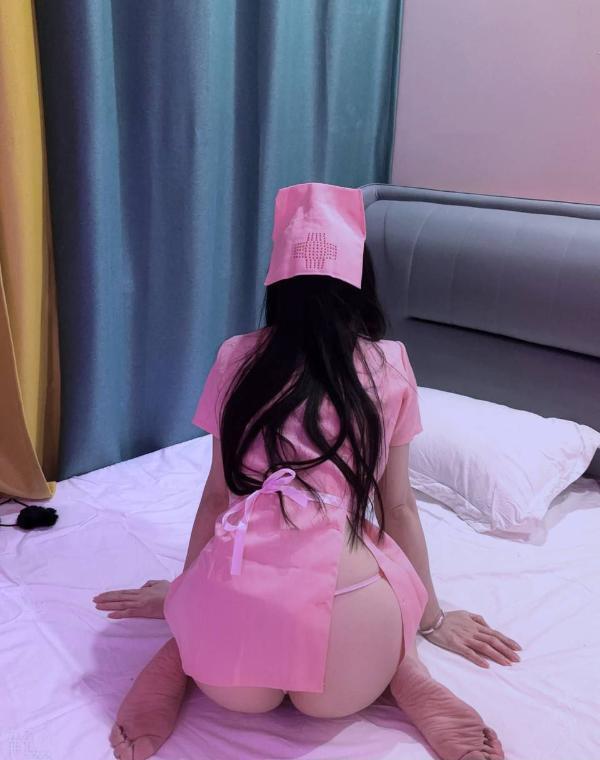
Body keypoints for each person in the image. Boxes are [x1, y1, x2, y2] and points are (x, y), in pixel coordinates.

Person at [95, 183, 519, 760]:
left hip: (234, 668)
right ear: (360, 280)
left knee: (204, 610)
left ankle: (180, 656)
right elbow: (398, 508)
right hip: (347, 653)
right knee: (387, 588)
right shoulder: (390, 363)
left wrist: (184, 594)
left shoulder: (236, 357)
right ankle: (405, 670)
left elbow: (218, 498)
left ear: (276, 281)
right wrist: (431, 616)